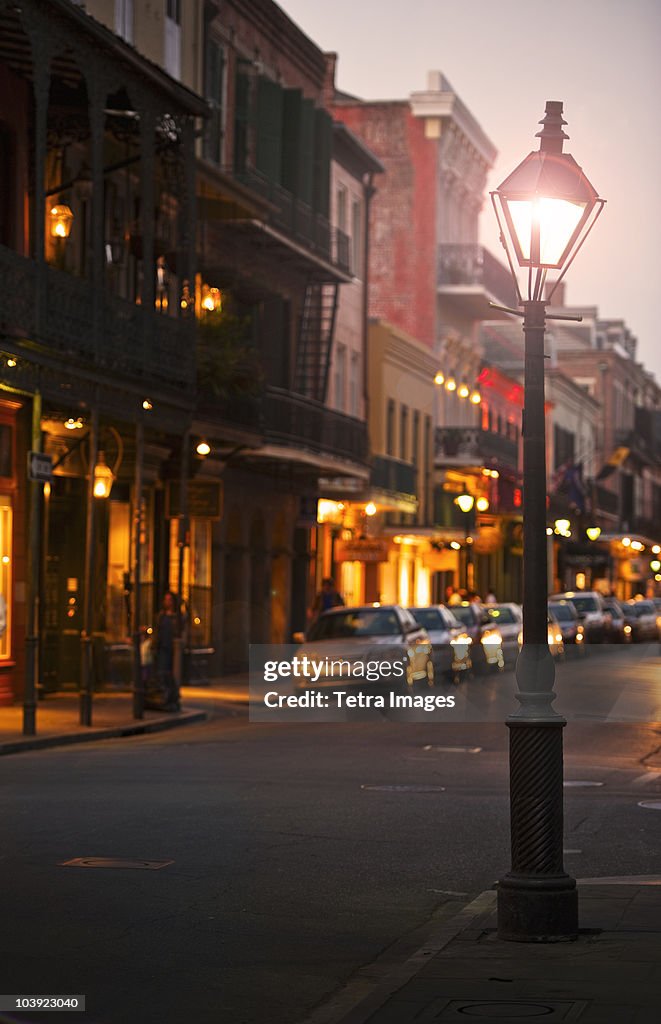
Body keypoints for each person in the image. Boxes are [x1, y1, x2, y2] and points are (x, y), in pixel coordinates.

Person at [154, 591, 182, 711]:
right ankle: (164, 696)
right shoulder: (161, 616)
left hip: (173, 649)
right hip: (162, 648)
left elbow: (181, 632)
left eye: (170, 599)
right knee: (162, 672)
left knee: (172, 674)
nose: (168, 602)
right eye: (166, 599)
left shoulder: (178, 617)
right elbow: (157, 631)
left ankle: (172, 696)